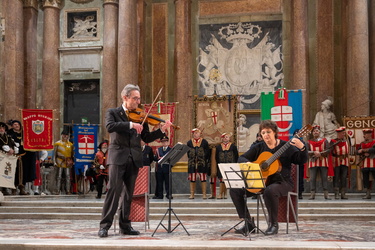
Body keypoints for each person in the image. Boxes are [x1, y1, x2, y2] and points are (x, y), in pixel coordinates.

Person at [98, 84, 172, 238]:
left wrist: (161, 130)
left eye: (139, 98)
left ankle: (125, 225)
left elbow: (145, 138)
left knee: (128, 194)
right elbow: (110, 127)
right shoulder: (113, 112)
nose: (138, 101)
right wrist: (130, 124)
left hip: (134, 158)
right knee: (113, 191)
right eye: (135, 98)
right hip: (118, 157)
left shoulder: (140, 115)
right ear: (125, 97)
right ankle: (105, 226)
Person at [230, 120, 307, 235]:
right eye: (263, 132)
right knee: (235, 190)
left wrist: (302, 148)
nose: (266, 135)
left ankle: (273, 224)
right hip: (262, 181)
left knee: (270, 190)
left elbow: (301, 160)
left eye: (268, 132)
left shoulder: (286, 146)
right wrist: (250, 164)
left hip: (282, 182)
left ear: (275, 132)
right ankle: (248, 224)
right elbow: (242, 158)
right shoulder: (258, 147)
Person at [8, 120, 36, 195]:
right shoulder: (9, 134)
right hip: (13, 156)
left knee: (23, 173)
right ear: (12, 126)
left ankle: (22, 188)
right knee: (14, 172)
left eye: (18, 124)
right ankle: (13, 188)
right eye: (15, 124)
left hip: (24, 156)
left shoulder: (24, 133)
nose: (16, 125)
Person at [307, 125, 333, 200]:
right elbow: (306, 151)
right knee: (312, 178)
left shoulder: (324, 141)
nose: (316, 132)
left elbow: (328, 150)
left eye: (317, 131)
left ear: (319, 132)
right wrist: (313, 152)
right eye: (314, 131)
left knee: (324, 178)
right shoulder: (309, 142)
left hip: (323, 161)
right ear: (312, 133)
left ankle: (326, 194)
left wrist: (321, 154)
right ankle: (312, 194)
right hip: (313, 162)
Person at [186, 128, 211, 199]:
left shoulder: (204, 142)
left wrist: (202, 157)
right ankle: (192, 193)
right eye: (194, 133)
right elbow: (188, 153)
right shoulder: (189, 142)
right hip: (192, 163)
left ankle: (204, 194)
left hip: (202, 163)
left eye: (197, 133)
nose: (196, 134)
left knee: (203, 178)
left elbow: (207, 152)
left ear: (200, 134)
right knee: (192, 178)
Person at [214, 132, 238, 199]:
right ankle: (221, 194)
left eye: (227, 137)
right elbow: (216, 157)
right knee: (221, 179)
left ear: (229, 138)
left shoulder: (233, 146)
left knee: (227, 179)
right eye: (224, 137)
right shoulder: (218, 147)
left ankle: (226, 194)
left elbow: (236, 156)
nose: (225, 138)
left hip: (230, 165)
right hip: (221, 165)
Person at [331, 127, 350, 199]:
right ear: (338, 133)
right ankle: (336, 193)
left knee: (344, 177)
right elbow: (331, 152)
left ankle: (343, 193)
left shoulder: (347, 141)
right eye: (342, 133)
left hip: (345, 161)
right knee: (336, 177)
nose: (344, 134)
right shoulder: (333, 141)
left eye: (344, 133)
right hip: (336, 161)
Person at [54, 130, 74, 195]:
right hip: (59, 161)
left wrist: (72, 161)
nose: (65, 136)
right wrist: (54, 162)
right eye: (64, 135)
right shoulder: (57, 143)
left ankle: (68, 190)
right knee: (58, 176)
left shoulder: (70, 144)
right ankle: (57, 190)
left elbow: (72, 154)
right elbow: (54, 153)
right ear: (61, 135)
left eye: (66, 135)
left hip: (67, 162)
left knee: (68, 176)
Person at [0, 122, 18, 195]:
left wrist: (14, 149)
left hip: (7, 158)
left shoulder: (9, 137)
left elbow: (12, 144)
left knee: (6, 172)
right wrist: (3, 148)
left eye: (3, 128)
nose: (1, 130)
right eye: (0, 128)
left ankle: (5, 188)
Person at [357, 129, 375, 199]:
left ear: (370, 134)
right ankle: (368, 193)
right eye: (364, 134)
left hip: (373, 163)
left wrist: (365, 150)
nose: (364, 136)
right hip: (365, 163)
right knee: (366, 179)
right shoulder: (362, 143)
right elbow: (357, 151)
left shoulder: (374, 142)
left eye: (366, 134)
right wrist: (362, 152)